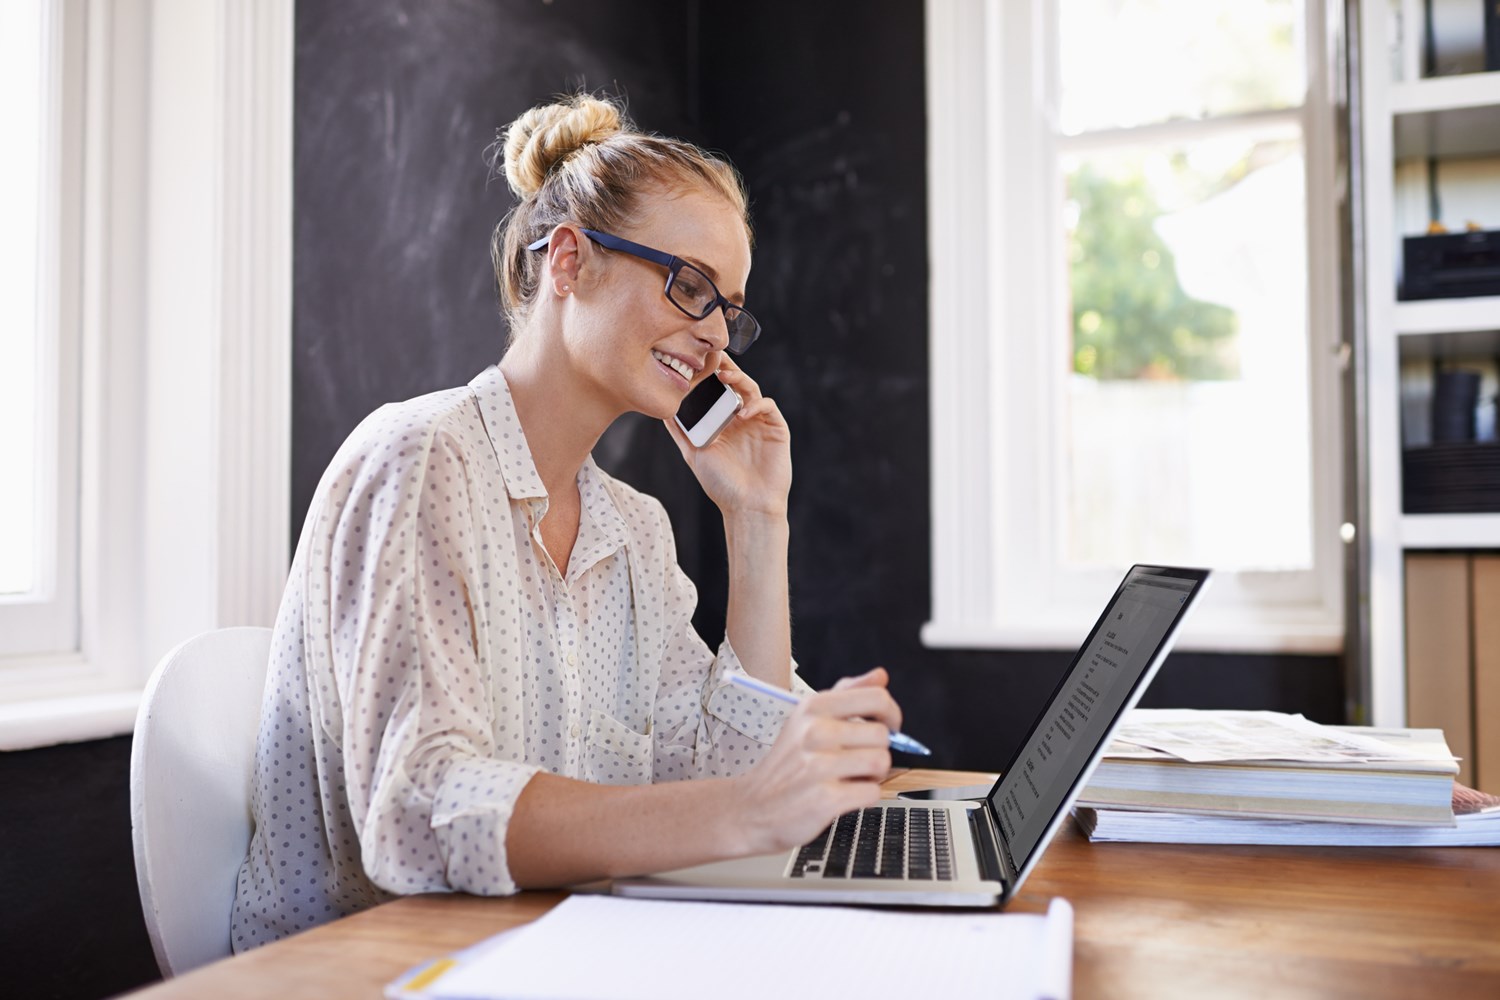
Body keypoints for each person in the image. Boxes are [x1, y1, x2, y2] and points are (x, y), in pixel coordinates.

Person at [230, 94, 903, 951]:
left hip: (547, 947)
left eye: (728, 308)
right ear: (571, 263)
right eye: (690, 287)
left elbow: (730, 778)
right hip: (369, 965)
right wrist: (746, 807)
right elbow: (417, 809)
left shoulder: (634, 530)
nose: (714, 338)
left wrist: (757, 517)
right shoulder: (418, 461)